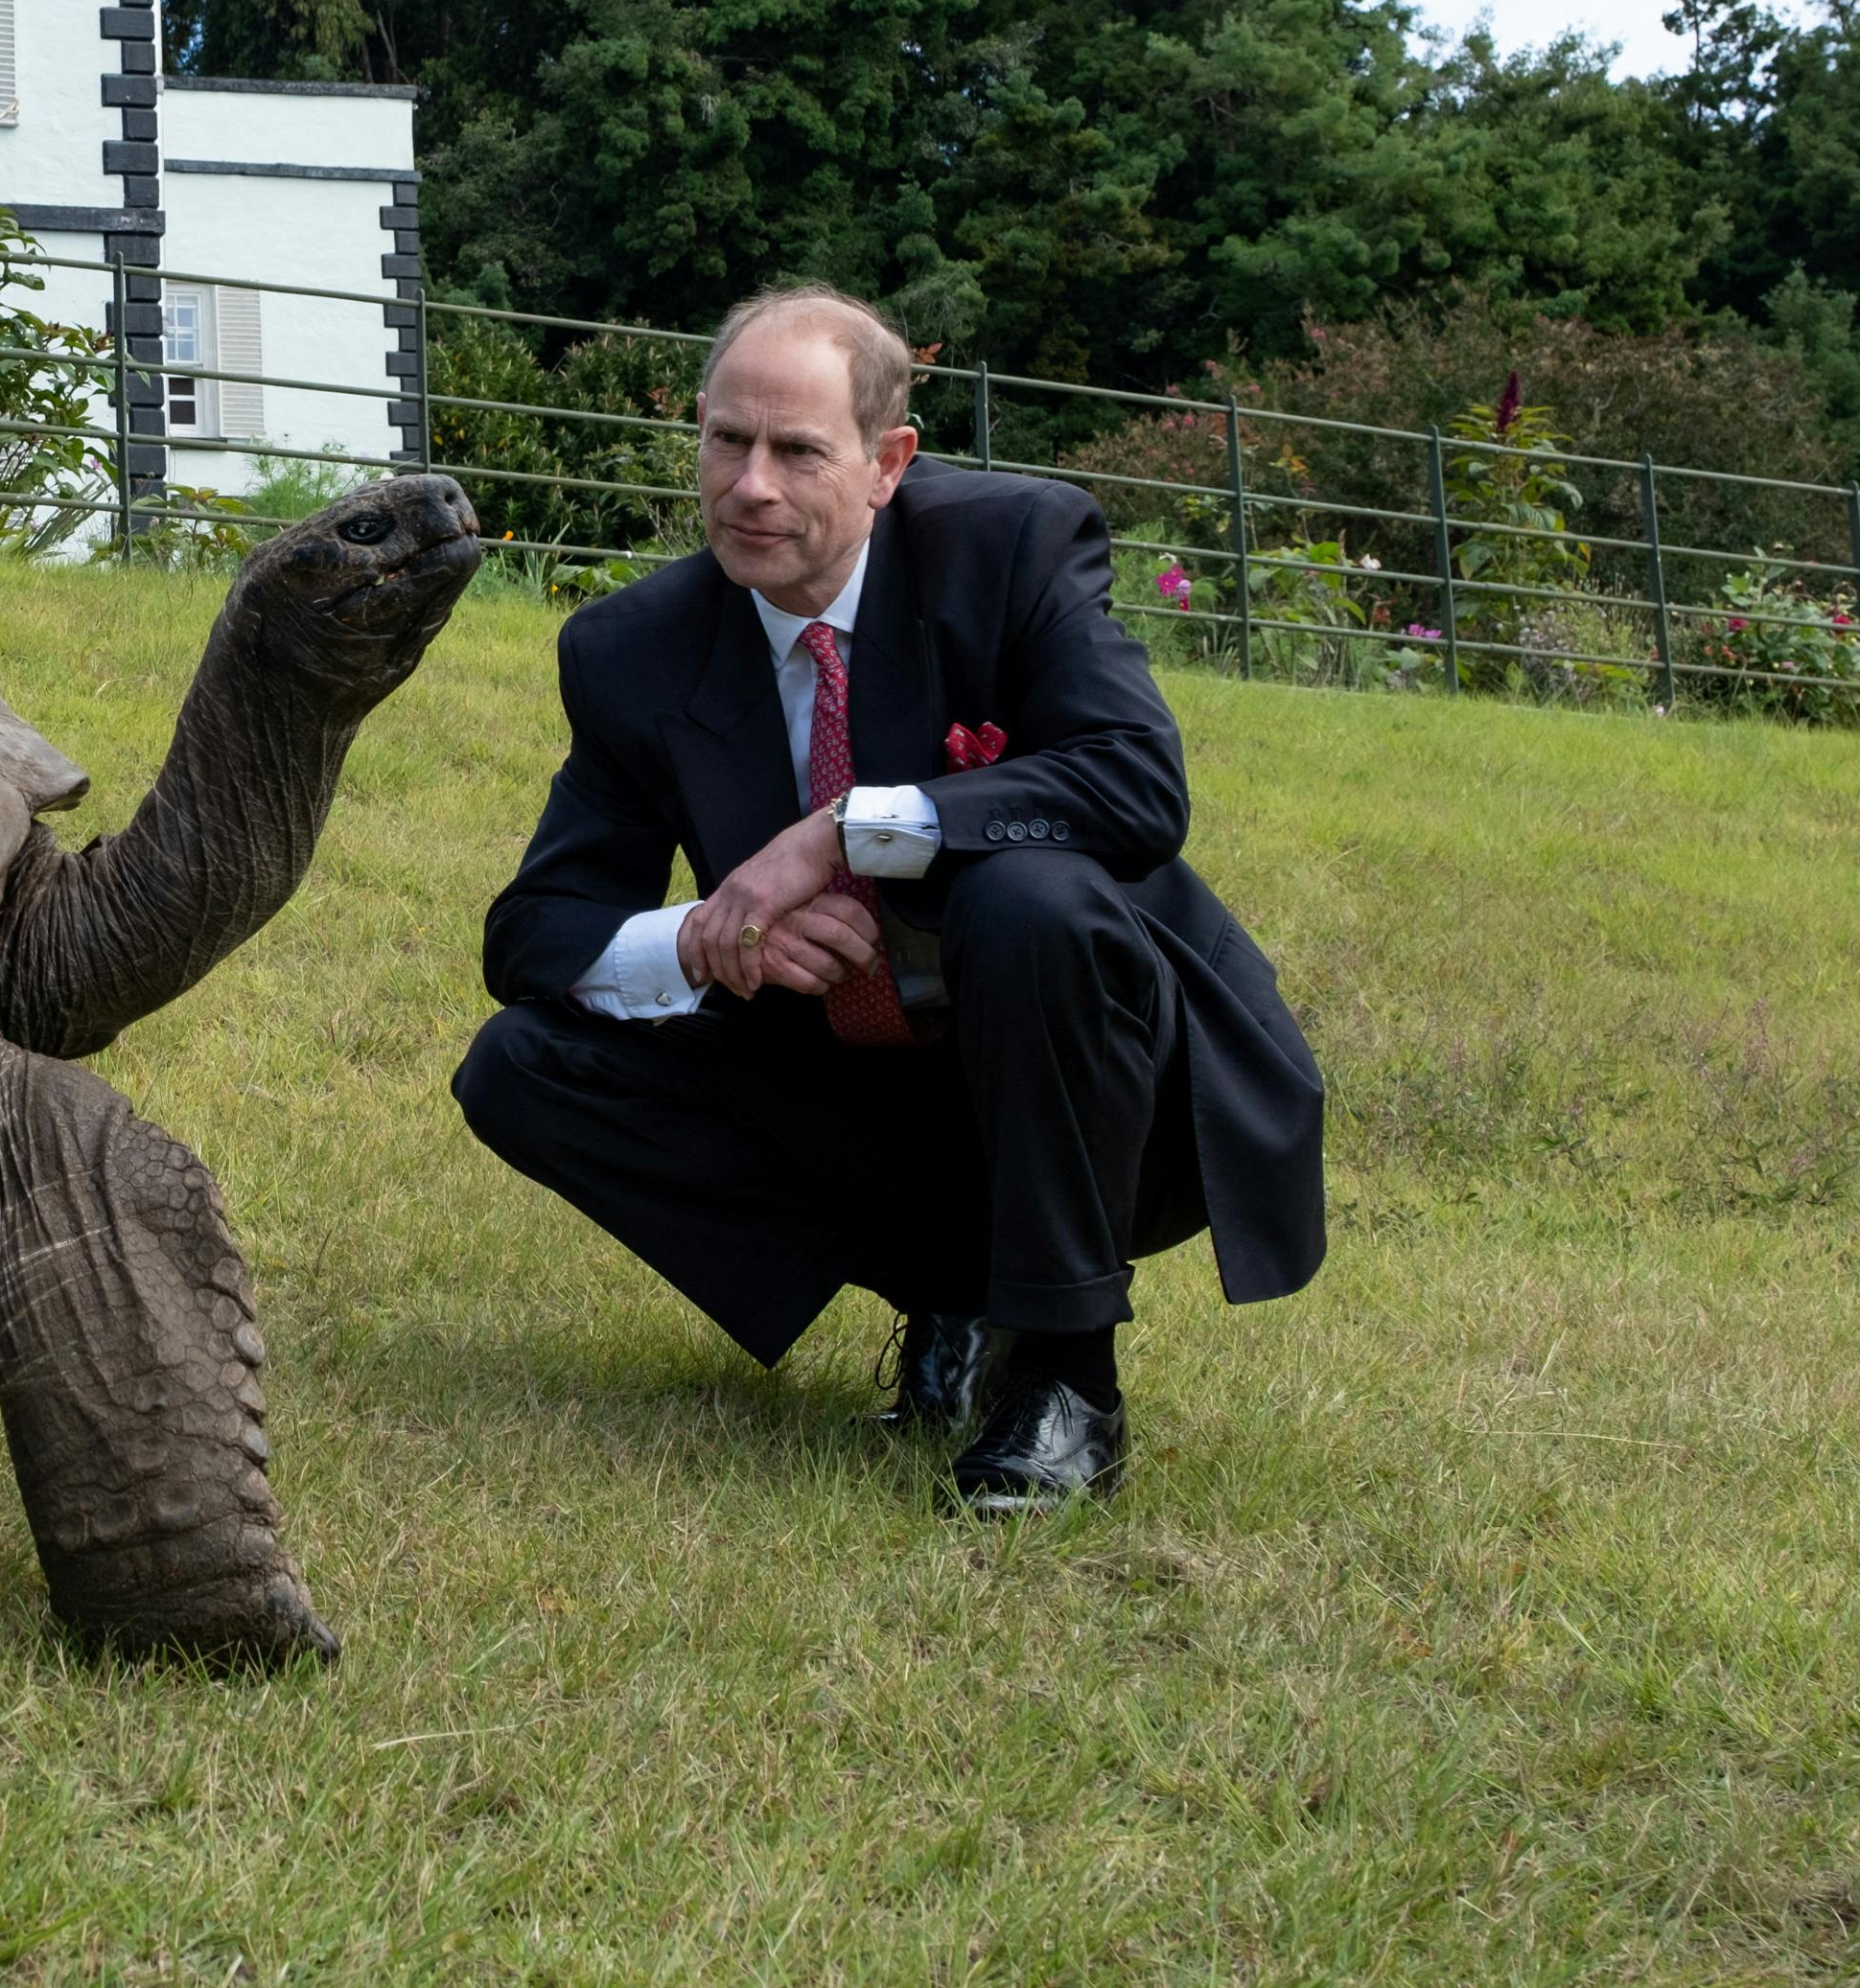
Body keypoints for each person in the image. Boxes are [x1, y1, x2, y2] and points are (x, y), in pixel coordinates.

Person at [450, 283, 1326, 1512]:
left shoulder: (1013, 547)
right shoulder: (628, 648)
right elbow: (533, 931)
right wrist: (708, 941)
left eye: (796, 450)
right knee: (517, 1065)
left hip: (1112, 1091)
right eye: (724, 441)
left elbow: (1134, 785)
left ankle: (1066, 1377)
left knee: (1025, 900)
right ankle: (944, 1287)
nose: (748, 485)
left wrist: (842, 833)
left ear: (886, 463)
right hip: (854, 1076)